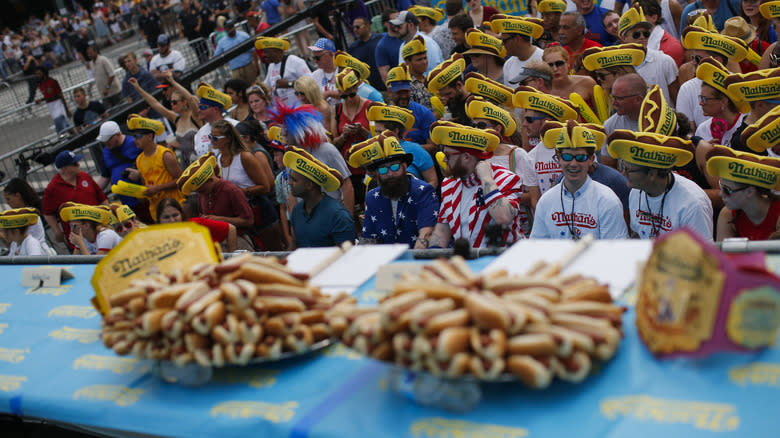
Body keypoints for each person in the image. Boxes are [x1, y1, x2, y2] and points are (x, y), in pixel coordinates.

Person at [428, 121, 525, 248]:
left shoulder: (506, 178)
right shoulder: (448, 183)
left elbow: (503, 218)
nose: (445, 159)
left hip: (502, 260)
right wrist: (433, 255)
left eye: (448, 155)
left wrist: (486, 178)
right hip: (467, 262)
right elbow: (442, 229)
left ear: (466, 157)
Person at [607, 130, 713, 240]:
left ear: (652, 174)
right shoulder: (635, 192)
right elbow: (637, 236)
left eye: (629, 170)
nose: (623, 173)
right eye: (623, 167)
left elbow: (703, 253)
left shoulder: (692, 203)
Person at [531, 121, 628, 239]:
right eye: (567, 157)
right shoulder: (546, 201)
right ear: (559, 158)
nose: (573, 164)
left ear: (591, 160)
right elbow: (538, 246)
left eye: (580, 157)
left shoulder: (607, 200)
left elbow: (613, 250)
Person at [348, 133, 438, 248]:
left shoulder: (424, 191)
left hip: (419, 260)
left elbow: (426, 236)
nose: (390, 174)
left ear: (405, 166)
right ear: (376, 173)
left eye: (395, 167)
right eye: (383, 169)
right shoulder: (372, 197)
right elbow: (368, 241)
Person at [269, 100, 354, 214]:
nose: (283, 135)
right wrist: (296, 223)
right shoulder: (290, 154)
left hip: (333, 216)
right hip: (307, 219)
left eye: (287, 131)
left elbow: (347, 185)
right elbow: (291, 194)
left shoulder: (327, 150)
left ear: (300, 131)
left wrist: (348, 218)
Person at [466, 96, 541, 224]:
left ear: (498, 129)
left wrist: (497, 196)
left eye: (481, 125)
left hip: (515, 224)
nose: (476, 130)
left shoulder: (517, 155)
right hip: (481, 226)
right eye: (474, 126)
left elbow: (532, 196)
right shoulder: (471, 156)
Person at [211, 119, 281, 250]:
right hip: (238, 214)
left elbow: (265, 186)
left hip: (259, 211)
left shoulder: (244, 157)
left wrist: (239, 192)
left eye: (215, 138)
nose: (211, 140)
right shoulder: (218, 159)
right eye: (210, 137)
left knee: (272, 253)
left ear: (227, 139)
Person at [677, 22, 750, 129]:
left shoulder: (738, 85)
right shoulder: (687, 88)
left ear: (717, 60)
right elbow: (687, 130)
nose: (693, 63)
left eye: (698, 59)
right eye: (692, 58)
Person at [177, 153, 255, 251]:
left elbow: (249, 221)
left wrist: (218, 220)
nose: (201, 193)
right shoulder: (202, 193)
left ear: (210, 180)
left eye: (202, 190)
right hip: (214, 243)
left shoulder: (231, 190)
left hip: (238, 240)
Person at [284, 146, 356, 248]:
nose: (290, 183)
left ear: (309, 185)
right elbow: (294, 246)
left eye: (294, 180)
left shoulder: (338, 215)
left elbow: (348, 256)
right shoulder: (297, 211)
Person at [514, 86, 580, 193]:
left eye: (529, 120)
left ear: (546, 122)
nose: (524, 124)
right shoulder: (531, 156)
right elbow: (535, 201)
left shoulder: (579, 148)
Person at [129, 71, 202, 168]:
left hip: (200, 160)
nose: (172, 104)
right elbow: (155, 104)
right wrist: (138, 88)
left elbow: (191, 99)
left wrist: (172, 81)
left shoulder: (195, 116)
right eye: (171, 102)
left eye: (175, 102)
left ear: (184, 102)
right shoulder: (176, 119)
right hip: (187, 164)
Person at [707, 146, 780, 240]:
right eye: (721, 186)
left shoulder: (777, 214)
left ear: (750, 192)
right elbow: (721, 254)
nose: (721, 194)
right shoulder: (728, 214)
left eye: (727, 190)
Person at [124, 115, 185, 221]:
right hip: (156, 213)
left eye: (138, 136)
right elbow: (146, 185)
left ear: (150, 136)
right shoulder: (139, 159)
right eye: (133, 136)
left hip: (174, 212)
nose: (135, 140)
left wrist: (157, 188)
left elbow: (181, 180)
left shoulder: (165, 154)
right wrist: (141, 193)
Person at [617, 5, 679, 106]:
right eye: (636, 34)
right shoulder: (616, 66)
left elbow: (676, 99)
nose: (642, 37)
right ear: (624, 38)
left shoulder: (665, 61)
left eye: (646, 34)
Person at [365, 103, 438, 188]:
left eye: (381, 132)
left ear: (396, 131)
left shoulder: (416, 150)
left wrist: (419, 196)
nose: (377, 136)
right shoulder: (373, 151)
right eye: (376, 131)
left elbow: (433, 181)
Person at [332, 68, 372, 206]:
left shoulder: (369, 106)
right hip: (347, 171)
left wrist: (362, 131)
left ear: (357, 87)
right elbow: (333, 143)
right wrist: (344, 136)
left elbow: (379, 137)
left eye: (352, 95)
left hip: (368, 168)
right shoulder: (336, 110)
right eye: (344, 96)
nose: (348, 99)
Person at [695, 58, 749, 148]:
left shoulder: (744, 128)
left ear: (724, 102)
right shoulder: (703, 129)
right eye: (701, 98)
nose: (701, 103)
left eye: (705, 99)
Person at [598, 73, 647, 168]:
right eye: (613, 97)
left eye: (619, 98)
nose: (613, 103)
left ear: (638, 99)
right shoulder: (610, 125)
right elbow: (609, 167)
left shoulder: (663, 120)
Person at [385, 64, 437, 151]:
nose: (404, 96)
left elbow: (434, 147)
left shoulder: (424, 113)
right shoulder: (383, 115)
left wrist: (405, 148)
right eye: (400, 92)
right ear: (389, 92)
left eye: (406, 92)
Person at [156, 197, 237, 252]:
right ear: (159, 220)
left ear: (181, 214)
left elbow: (231, 228)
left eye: (175, 215)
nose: (172, 220)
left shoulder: (196, 224)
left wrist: (232, 259)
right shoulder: (155, 238)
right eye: (166, 217)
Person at [491, 15, 545, 88]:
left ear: (517, 39)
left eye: (504, 40)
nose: (502, 44)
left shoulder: (545, 59)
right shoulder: (508, 65)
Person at [258, 36, 312, 107]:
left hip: (299, 108)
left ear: (277, 51)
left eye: (266, 52)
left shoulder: (295, 61)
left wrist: (289, 84)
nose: (263, 55)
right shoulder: (271, 66)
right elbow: (266, 86)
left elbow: (311, 82)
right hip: (283, 111)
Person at [542, 45, 597, 109]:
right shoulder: (542, 90)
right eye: (550, 65)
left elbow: (601, 114)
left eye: (559, 63)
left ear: (568, 63)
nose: (555, 69)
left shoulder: (587, 83)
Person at [392, 10, 443, 76]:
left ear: (411, 25)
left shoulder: (426, 42)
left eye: (399, 26)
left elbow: (435, 71)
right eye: (395, 26)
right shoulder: (402, 45)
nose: (396, 29)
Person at [194, 83, 238, 157]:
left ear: (216, 109)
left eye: (203, 107)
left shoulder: (235, 126)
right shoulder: (198, 135)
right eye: (198, 107)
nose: (198, 110)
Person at [637, 0, 684, 67]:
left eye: (639, 16)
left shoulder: (671, 48)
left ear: (654, 18)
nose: (635, 21)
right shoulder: (631, 40)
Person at [426, 54, 470, 125]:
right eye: (442, 95)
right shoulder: (452, 102)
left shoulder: (473, 102)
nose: (446, 99)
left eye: (448, 94)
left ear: (458, 85)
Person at [3, 178, 47, 247]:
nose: (7, 203)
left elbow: (12, 239)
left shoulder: (29, 215)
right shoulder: (26, 213)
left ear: (18, 195)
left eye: (9, 199)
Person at [214, 20, 258, 86]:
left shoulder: (243, 35)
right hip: (235, 70)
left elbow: (253, 51)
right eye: (229, 27)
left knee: (254, 86)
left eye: (232, 26)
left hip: (248, 66)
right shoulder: (222, 42)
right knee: (238, 90)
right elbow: (217, 57)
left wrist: (256, 65)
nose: (231, 29)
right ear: (225, 29)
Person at [348, 17, 385, 92]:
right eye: (353, 27)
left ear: (367, 26)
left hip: (384, 86)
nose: (355, 30)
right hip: (368, 91)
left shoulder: (380, 39)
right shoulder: (352, 48)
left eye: (357, 27)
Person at [401, 37, 435, 112]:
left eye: (425, 58)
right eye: (419, 60)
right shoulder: (407, 85)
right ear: (407, 62)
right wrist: (439, 112)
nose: (424, 62)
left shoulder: (428, 79)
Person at [34, 66, 70, 134]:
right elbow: (47, 95)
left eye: (39, 74)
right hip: (50, 106)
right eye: (36, 74)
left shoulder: (52, 81)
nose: (37, 76)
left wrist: (67, 109)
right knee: (64, 124)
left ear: (44, 73)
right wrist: (41, 100)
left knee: (59, 120)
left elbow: (60, 95)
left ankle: (60, 135)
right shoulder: (40, 84)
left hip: (58, 104)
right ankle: (70, 134)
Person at [86, 44, 121, 108]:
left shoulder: (103, 60)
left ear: (95, 52)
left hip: (113, 92)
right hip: (104, 94)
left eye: (91, 53)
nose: (89, 55)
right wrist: (89, 88)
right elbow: (95, 77)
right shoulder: (91, 64)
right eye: (88, 54)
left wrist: (107, 88)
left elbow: (112, 75)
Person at [308, 38, 340, 107]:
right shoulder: (314, 76)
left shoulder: (343, 70)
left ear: (330, 54)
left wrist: (329, 94)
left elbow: (352, 93)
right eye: (314, 58)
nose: (315, 61)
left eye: (318, 58)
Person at [375, 9, 404, 83]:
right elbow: (384, 75)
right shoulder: (382, 46)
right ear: (386, 24)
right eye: (394, 20)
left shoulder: (407, 36)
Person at [178, 0, 210, 65]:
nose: (187, 5)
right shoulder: (181, 14)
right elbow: (179, 23)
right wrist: (181, 32)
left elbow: (199, 18)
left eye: (188, 4)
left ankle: (207, 56)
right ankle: (201, 59)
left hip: (196, 31)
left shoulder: (194, 10)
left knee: (202, 44)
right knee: (195, 47)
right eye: (186, 4)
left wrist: (198, 26)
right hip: (189, 32)